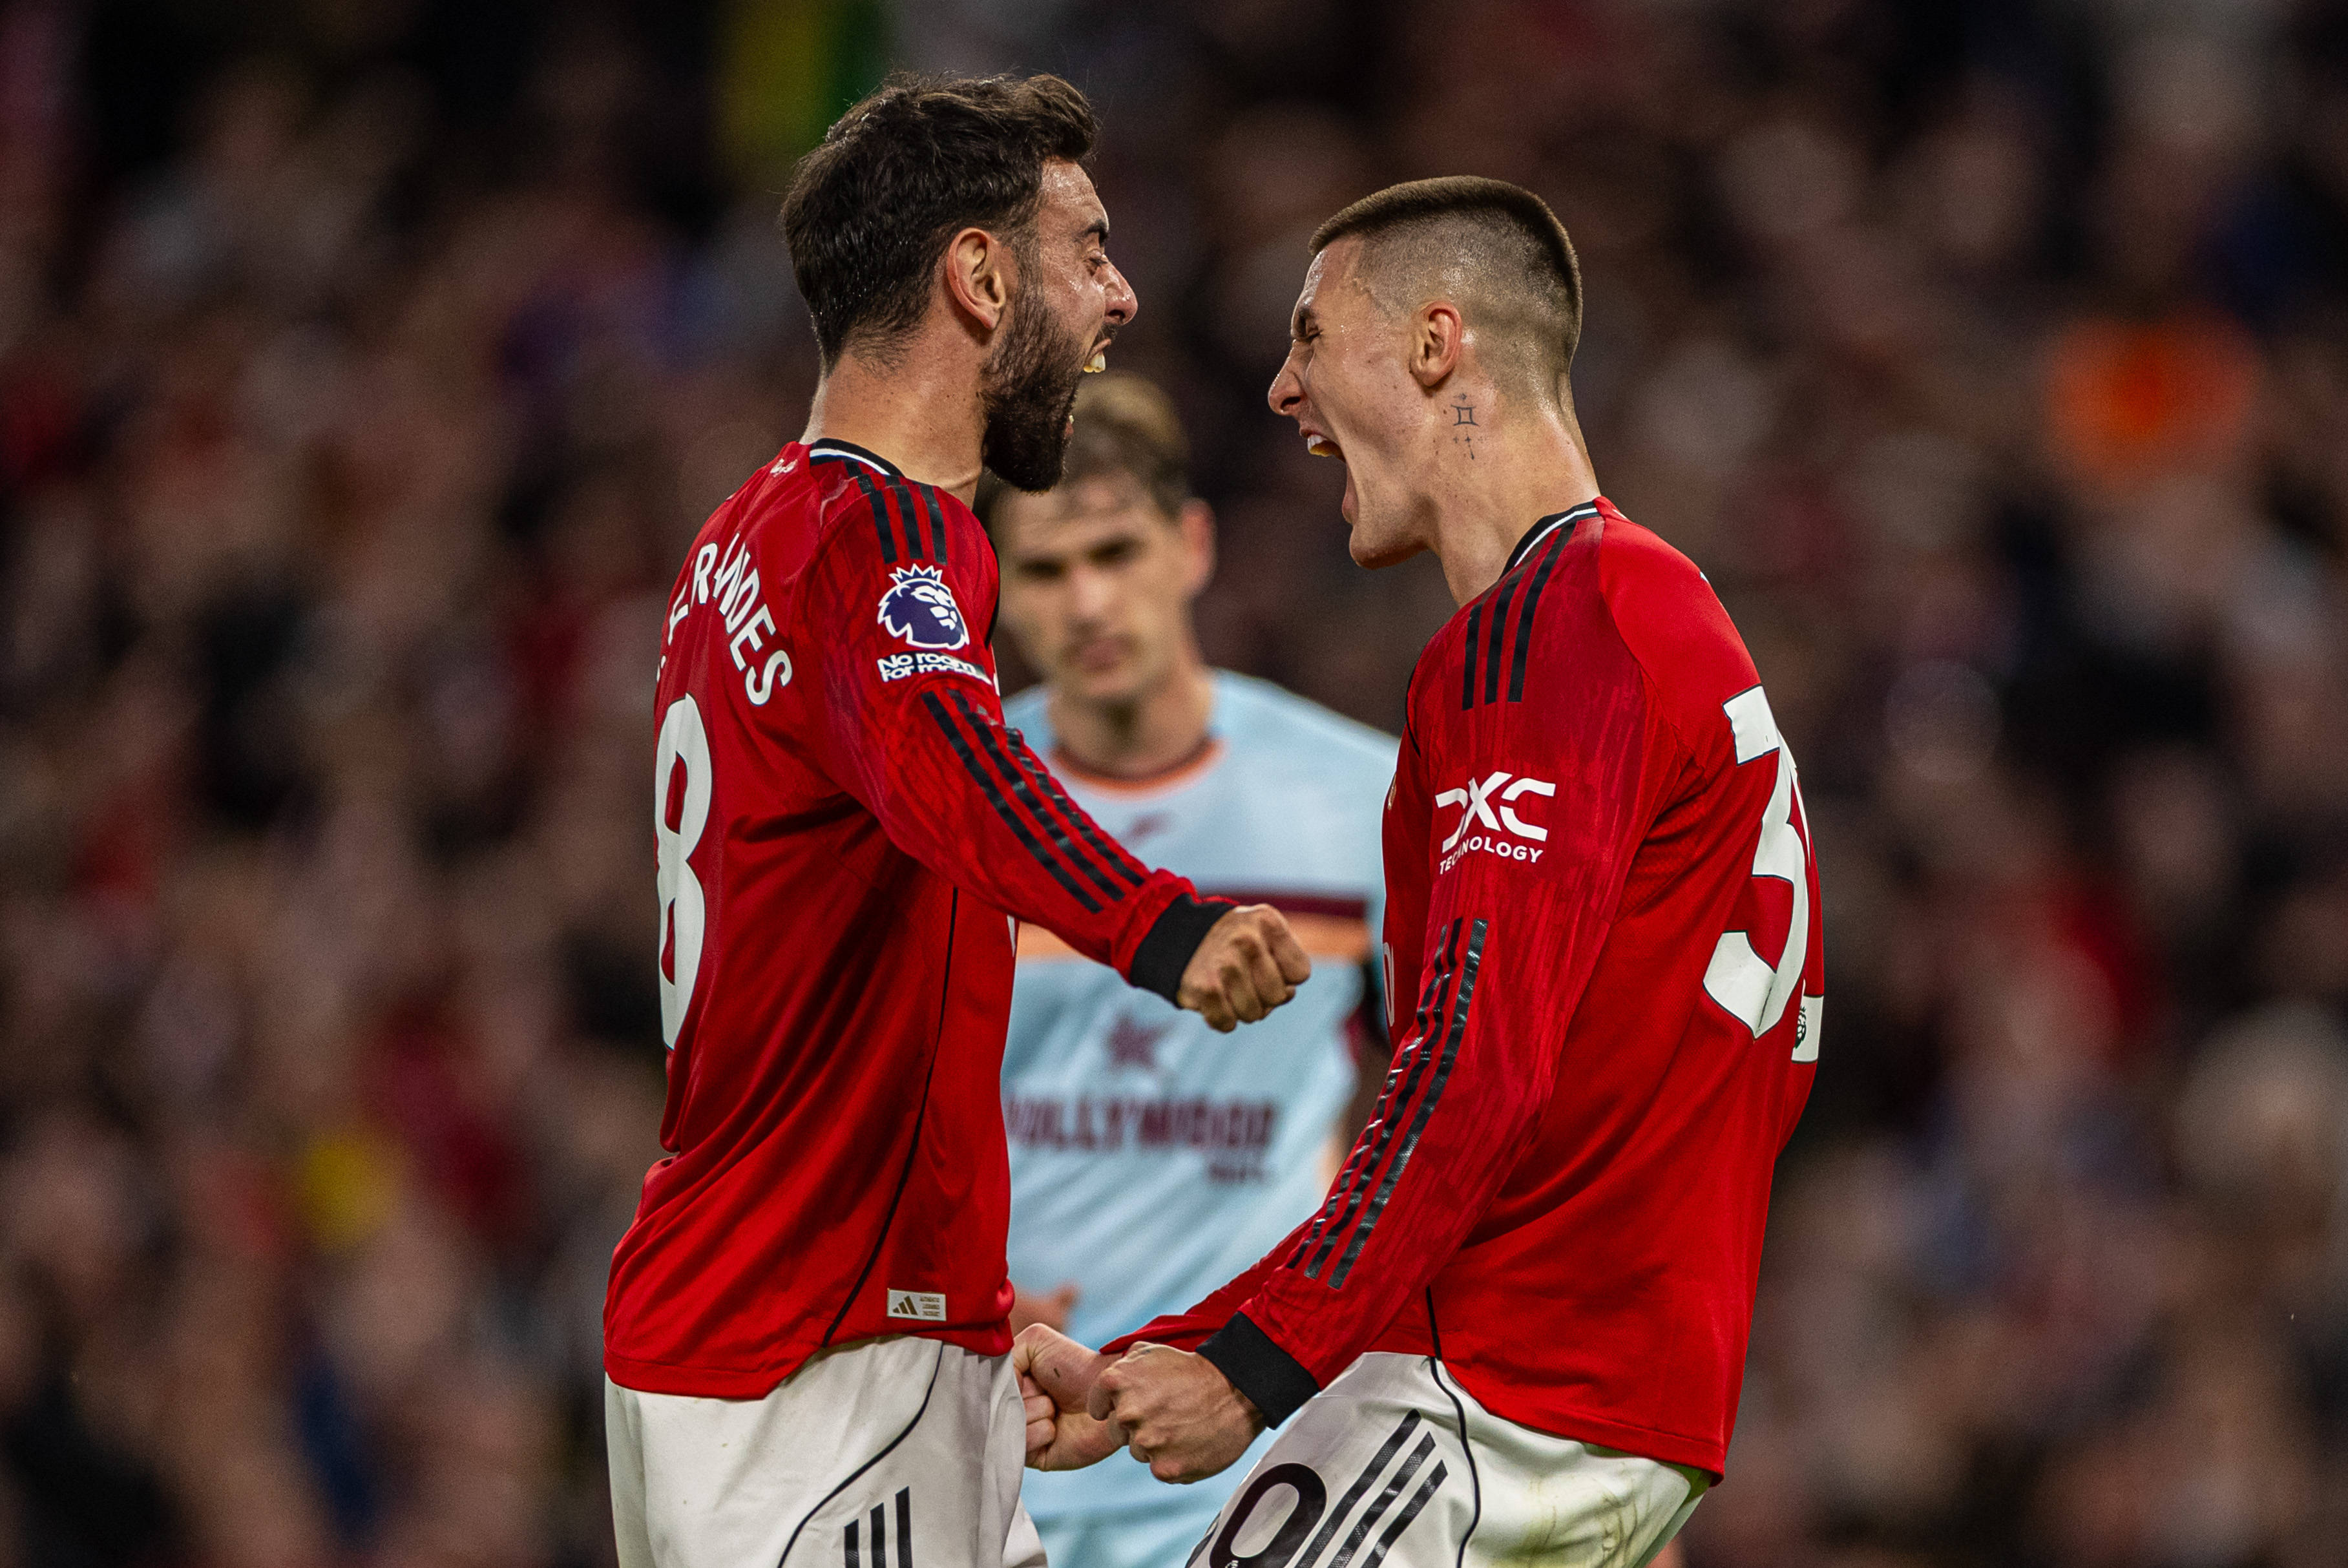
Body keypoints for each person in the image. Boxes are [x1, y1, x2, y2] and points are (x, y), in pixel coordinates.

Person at [1016, 176, 1823, 1568]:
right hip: (1604, 1402)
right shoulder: (1661, 617)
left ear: (1436, 345)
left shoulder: (1541, 636)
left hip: (1492, 1397)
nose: (1280, 389)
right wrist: (1185, 1344)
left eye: (1312, 337)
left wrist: (1247, 1370)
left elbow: (1467, 1068)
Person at [600, 74, 1314, 1568]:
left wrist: (978, 1332)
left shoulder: (749, 531)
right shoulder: (888, 530)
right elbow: (953, 769)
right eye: (1088, 248)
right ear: (979, 278)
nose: (1119, 295)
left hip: (813, 1333)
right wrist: (1162, 924)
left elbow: (845, 958)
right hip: (817, 1368)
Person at [980, 372, 1395, 1568]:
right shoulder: (959, 814)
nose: (1089, 601)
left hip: (1271, 1454)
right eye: (1047, 572)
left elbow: (1450, 1104)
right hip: (1003, 1429)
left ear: (1192, 543)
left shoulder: (1361, 802)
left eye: (1116, 551)